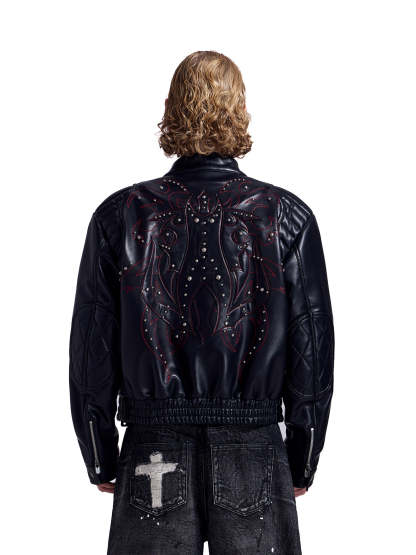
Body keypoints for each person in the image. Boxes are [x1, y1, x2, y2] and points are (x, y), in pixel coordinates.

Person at [69, 50, 335, 555]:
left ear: (170, 109)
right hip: (253, 448)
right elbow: (312, 347)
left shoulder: (120, 215)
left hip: (153, 444)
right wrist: (302, 456)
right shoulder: (285, 216)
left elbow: (92, 346)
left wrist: (99, 451)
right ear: (241, 109)